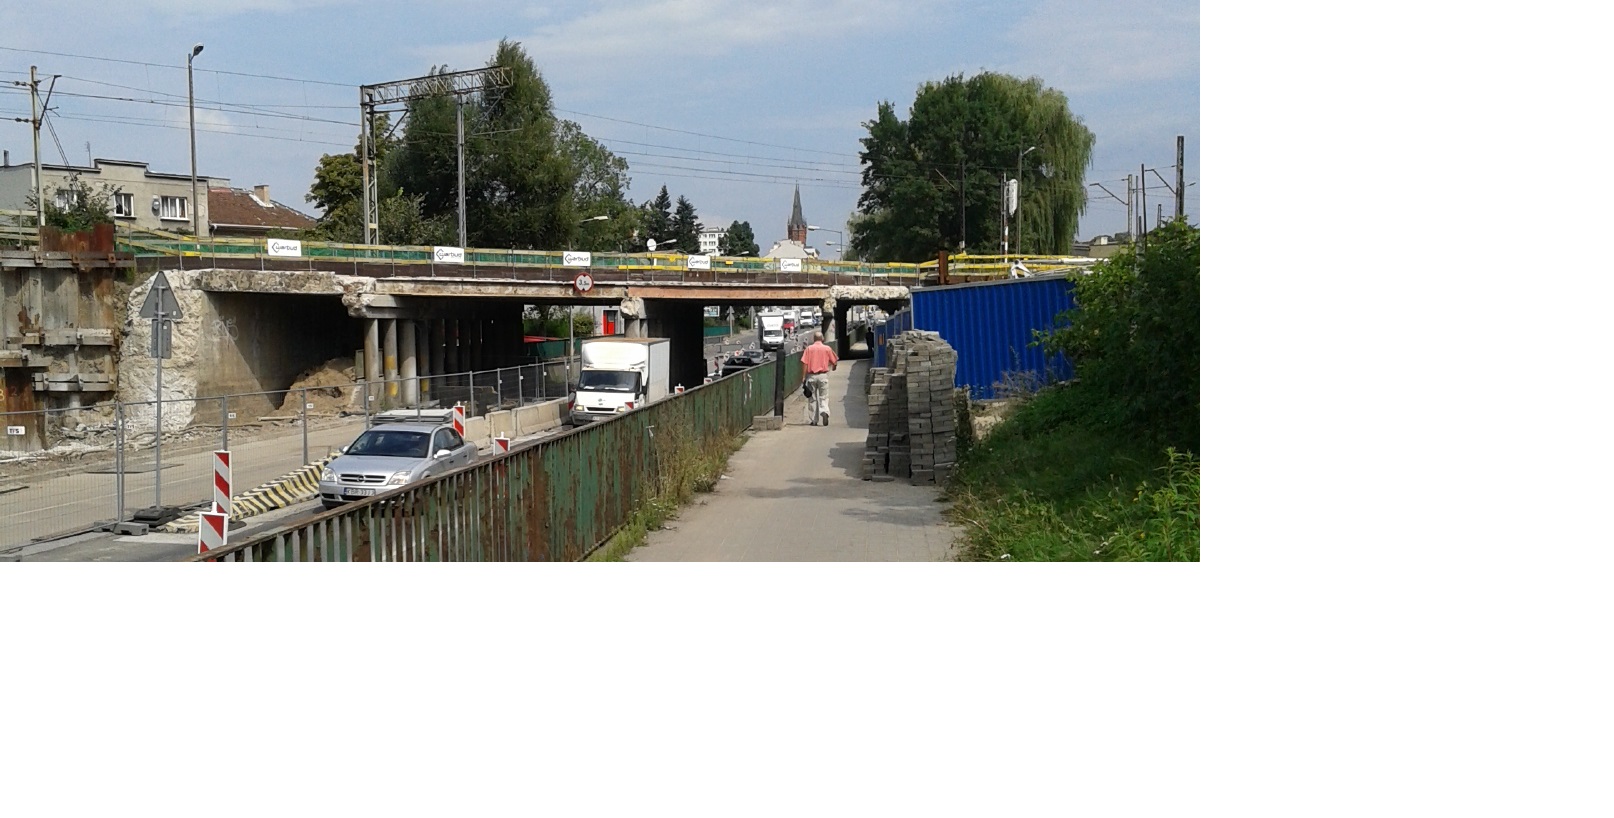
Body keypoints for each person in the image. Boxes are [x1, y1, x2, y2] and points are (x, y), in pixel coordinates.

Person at [800, 330, 838, 426]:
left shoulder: (809, 349)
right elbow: (834, 361)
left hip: (811, 376)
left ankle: (814, 420)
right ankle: (824, 411)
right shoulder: (827, 348)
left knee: (812, 398)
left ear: (814, 339)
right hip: (823, 376)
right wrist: (834, 367)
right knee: (823, 396)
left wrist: (803, 377)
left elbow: (805, 363)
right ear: (822, 339)